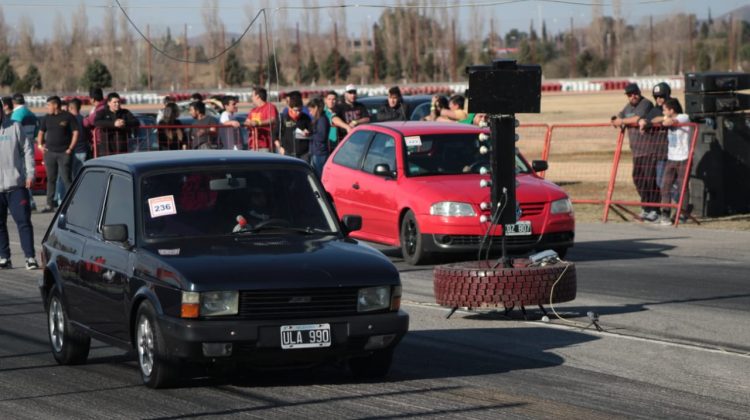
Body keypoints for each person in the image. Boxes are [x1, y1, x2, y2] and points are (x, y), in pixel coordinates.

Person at [610, 83, 657, 222]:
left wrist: (621, 121)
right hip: (636, 151)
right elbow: (619, 116)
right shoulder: (628, 106)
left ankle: (655, 209)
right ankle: (646, 207)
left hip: (649, 150)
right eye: (630, 95)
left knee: (651, 181)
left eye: (635, 93)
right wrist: (615, 120)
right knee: (638, 179)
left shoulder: (645, 103)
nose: (633, 96)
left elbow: (636, 119)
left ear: (639, 92)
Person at [0, 98, 38, 269]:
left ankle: (30, 257)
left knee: (23, 221)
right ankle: (4, 257)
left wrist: (30, 173)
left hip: (16, 185)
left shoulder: (15, 126)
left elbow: (28, 149)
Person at [36, 96, 79, 213]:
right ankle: (49, 204)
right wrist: (40, 145)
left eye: (48, 105)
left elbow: (75, 132)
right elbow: (41, 132)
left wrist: (70, 148)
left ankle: (72, 203)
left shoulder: (68, 117)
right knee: (51, 179)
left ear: (55, 105)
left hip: (64, 152)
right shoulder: (46, 118)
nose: (47, 107)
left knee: (66, 178)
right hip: (50, 153)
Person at [658, 98, 692, 226]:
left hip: (684, 157)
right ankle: (665, 213)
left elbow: (671, 122)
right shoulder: (665, 117)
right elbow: (655, 119)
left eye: (665, 109)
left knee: (683, 187)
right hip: (671, 158)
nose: (663, 111)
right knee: (665, 186)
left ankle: (682, 213)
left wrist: (665, 120)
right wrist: (662, 119)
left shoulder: (684, 117)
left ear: (672, 110)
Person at [638, 82, 672, 191]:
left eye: (661, 96)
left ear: (667, 95)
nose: (659, 99)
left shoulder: (674, 106)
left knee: (674, 184)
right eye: (656, 97)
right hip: (660, 154)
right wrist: (642, 122)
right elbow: (647, 119)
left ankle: (681, 207)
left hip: (674, 153)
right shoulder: (654, 110)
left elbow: (675, 117)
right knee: (660, 182)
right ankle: (672, 207)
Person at [245, 87, 278, 152]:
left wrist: (258, 123)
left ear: (257, 96)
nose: (251, 98)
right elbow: (247, 122)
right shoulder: (253, 110)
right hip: (253, 146)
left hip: (266, 145)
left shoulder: (270, 107)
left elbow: (273, 119)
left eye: (252, 96)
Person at [307, 97, 331, 177]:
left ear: (316, 108)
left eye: (310, 110)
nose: (310, 113)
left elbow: (321, 137)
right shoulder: (318, 119)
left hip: (320, 153)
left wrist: (309, 135)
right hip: (316, 151)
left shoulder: (322, 119)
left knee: (318, 177)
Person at [67, 98, 89, 178]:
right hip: (83, 150)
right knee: (81, 177)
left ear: (70, 108)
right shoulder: (84, 120)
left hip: (72, 151)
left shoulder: (68, 120)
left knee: (71, 177)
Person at [83, 87, 106, 157]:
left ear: (92, 99)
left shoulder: (100, 109)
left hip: (99, 142)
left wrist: (86, 118)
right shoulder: (104, 106)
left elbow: (86, 123)